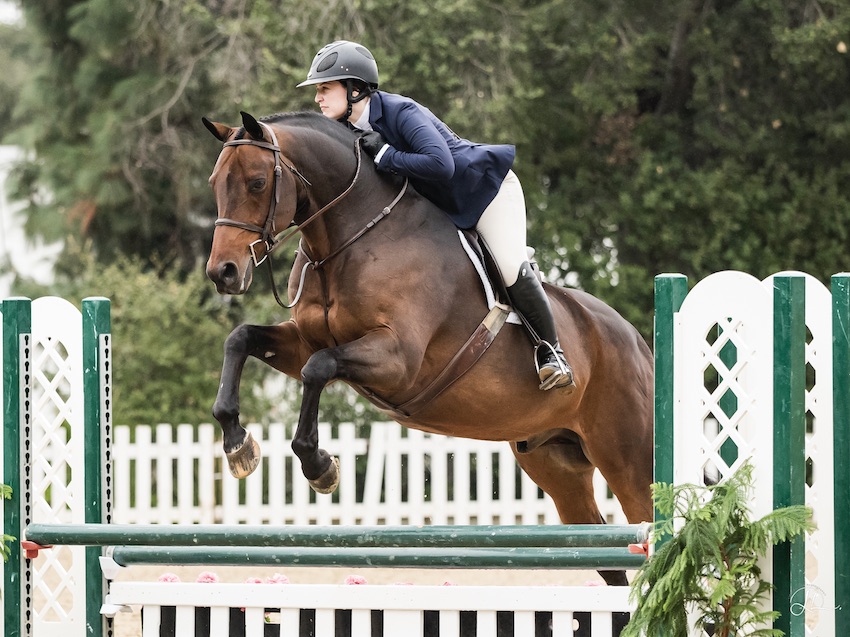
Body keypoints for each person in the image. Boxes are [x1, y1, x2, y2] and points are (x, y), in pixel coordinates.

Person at [297, 40, 575, 392]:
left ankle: (552, 352)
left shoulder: (400, 112)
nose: (318, 98)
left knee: (507, 264)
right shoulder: (347, 131)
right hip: (440, 208)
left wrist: (385, 155)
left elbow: (440, 164)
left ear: (354, 88)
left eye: (325, 88)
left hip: (485, 193)